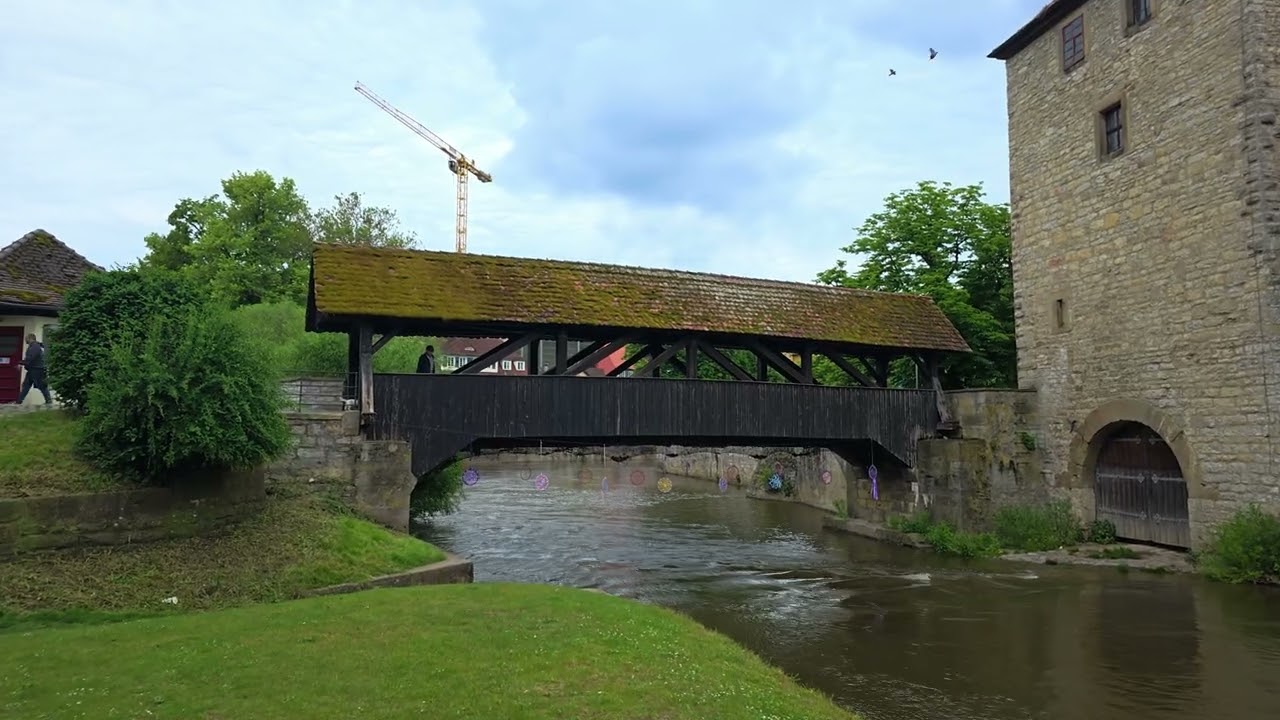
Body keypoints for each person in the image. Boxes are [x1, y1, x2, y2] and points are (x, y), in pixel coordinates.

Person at [18, 333, 52, 405]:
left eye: (26, 338)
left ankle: (49, 401)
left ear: (30, 338)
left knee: (41, 386)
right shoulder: (34, 346)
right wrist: (23, 363)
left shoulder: (35, 347)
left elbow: (31, 358)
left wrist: (21, 362)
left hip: (37, 369)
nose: (25, 340)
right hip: (32, 369)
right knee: (26, 386)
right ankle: (19, 401)